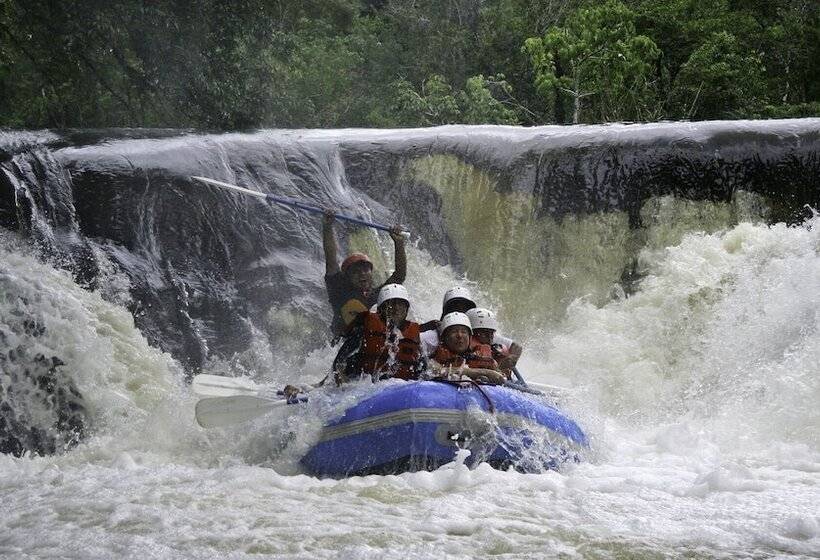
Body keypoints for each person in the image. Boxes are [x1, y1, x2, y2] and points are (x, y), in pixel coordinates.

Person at [322, 210, 406, 338]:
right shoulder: (339, 291)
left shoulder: (378, 295)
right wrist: (328, 227)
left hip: (371, 343)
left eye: (366, 270)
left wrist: (398, 243)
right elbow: (331, 262)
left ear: (371, 273)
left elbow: (399, 275)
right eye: (356, 271)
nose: (362, 274)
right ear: (347, 277)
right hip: (344, 343)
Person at [332, 283, 424, 384]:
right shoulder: (365, 331)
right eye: (392, 304)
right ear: (381, 309)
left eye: (401, 304)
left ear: (406, 310)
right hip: (360, 384)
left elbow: (423, 370)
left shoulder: (413, 337)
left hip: (397, 387)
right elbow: (339, 362)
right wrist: (343, 383)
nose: (397, 308)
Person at [427, 312, 506, 385]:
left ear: (470, 337)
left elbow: (501, 378)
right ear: (444, 338)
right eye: (454, 332)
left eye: (464, 332)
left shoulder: (484, 358)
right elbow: (439, 371)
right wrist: (485, 373)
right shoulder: (433, 360)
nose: (459, 335)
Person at [419, 286, 477, 356]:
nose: (459, 312)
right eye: (455, 307)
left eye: (465, 308)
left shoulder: (481, 333)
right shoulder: (431, 337)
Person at [466, 308, 523, 378]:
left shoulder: (492, 337)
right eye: (484, 331)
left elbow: (517, 347)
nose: (489, 337)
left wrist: (510, 359)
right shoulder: (460, 341)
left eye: (491, 332)